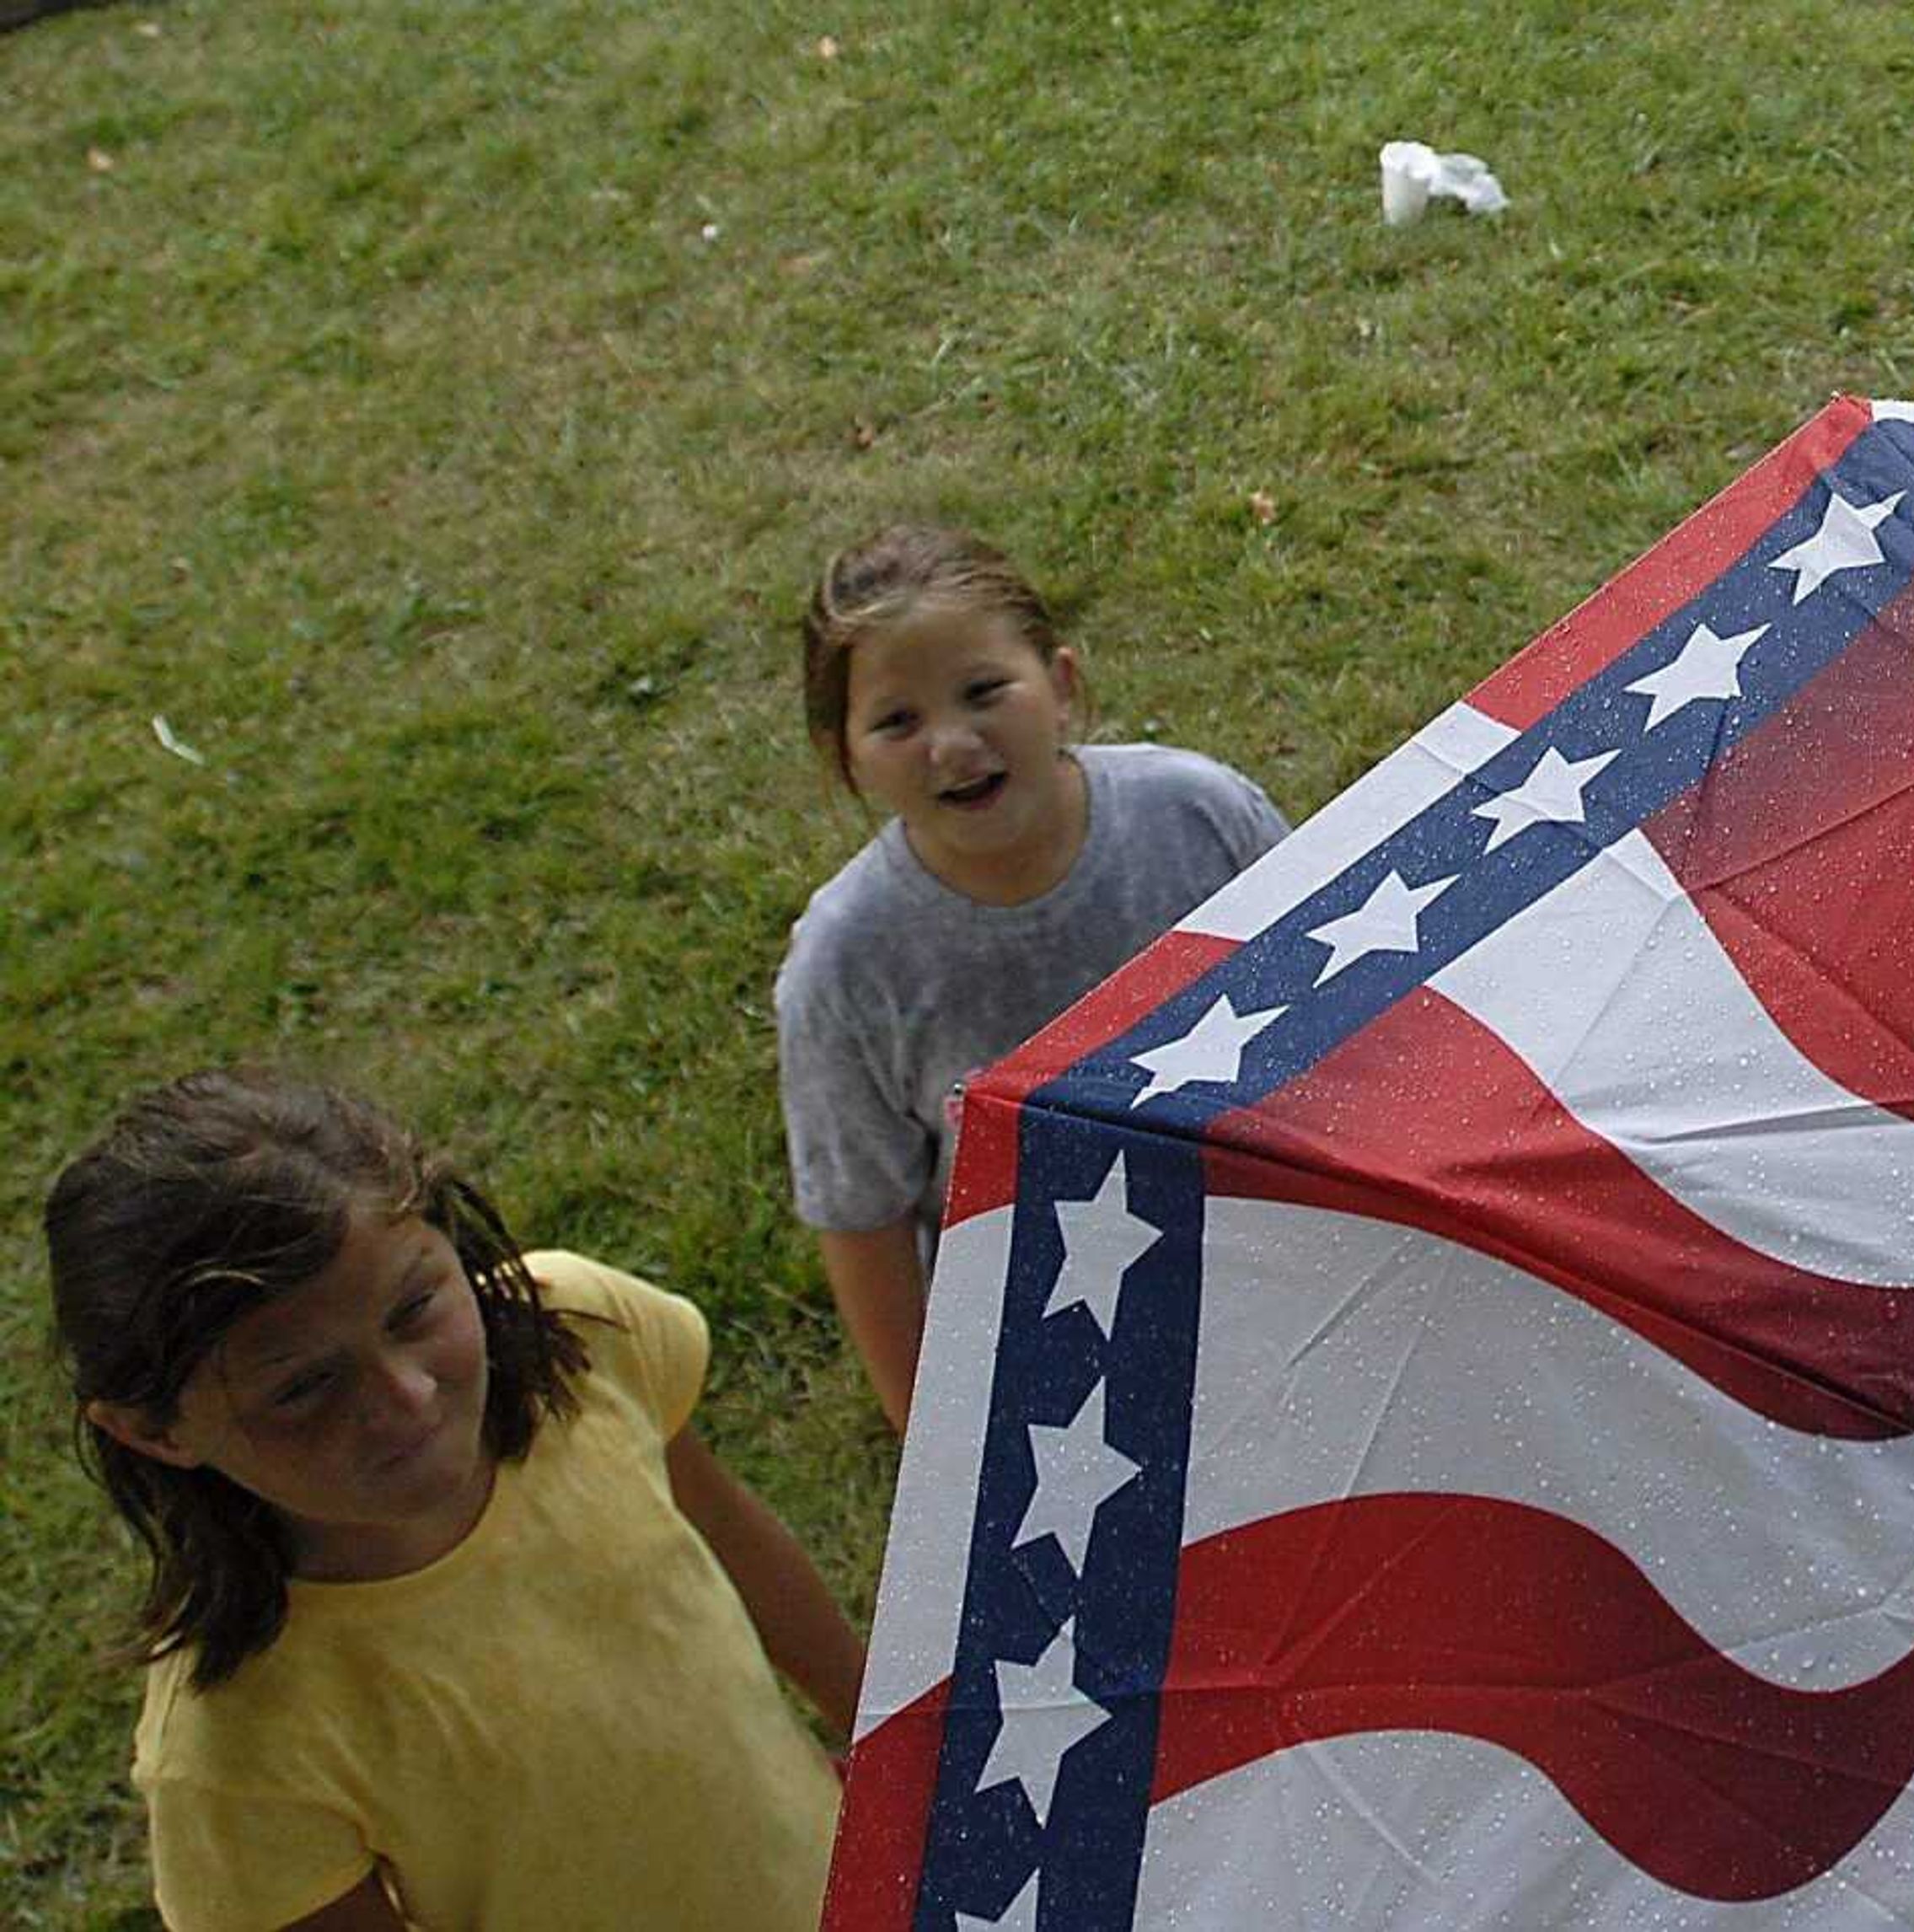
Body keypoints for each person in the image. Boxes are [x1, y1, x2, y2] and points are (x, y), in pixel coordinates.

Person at [46, 1068, 860, 1931]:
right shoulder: (234, 1749)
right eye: (303, 1387)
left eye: (414, 1308)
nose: (404, 1396)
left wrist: (893, 1732)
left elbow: (727, 1530)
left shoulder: (579, 1338)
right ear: (155, 1430)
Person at [778, 523, 1287, 1430]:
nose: (952, 744)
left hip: (1266, 1237)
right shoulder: (846, 967)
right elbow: (863, 1221)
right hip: (1050, 1321)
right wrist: (932, 1437)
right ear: (846, 754)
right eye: (898, 721)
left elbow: (1344, 1010)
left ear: (1060, 685)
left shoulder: (1200, 816)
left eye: (983, 692)